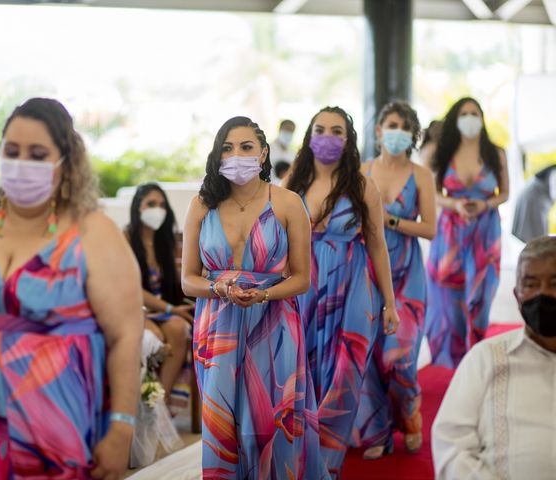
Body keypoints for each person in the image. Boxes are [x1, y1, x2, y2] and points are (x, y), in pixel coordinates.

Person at [0, 98, 143, 479]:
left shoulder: (93, 232)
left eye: (38, 155)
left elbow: (125, 333)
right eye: (12, 151)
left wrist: (121, 426)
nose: (22, 163)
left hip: (59, 431)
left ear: (65, 162)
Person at [182, 116, 329, 478]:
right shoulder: (202, 204)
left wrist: (263, 295)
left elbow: (301, 279)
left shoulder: (289, 203)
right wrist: (219, 289)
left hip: (274, 324)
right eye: (227, 148)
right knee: (223, 423)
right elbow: (187, 280)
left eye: (246, 147)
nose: (237, 155)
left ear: (263, 153)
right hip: (218, 329)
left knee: (270, 423)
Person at [285, 106, 399, 477]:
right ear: (309, 136)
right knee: (308, 369)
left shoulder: (362, 185)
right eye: (320, 129)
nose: (327, 137)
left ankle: (327, 463)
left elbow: (378, 244)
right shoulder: (292, 183)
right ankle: (308, 446)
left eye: (336, 131)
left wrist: (390, 304)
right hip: (304, 286)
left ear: (347, 140)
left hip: (352, 286)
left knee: (347, 369)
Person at [432, 235, 556, 480]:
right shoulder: (485, 358)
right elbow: (451, 447)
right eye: (530, 284)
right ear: (517, 295)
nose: (544, 294)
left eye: (555, 283)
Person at [353, 101, 437, 459]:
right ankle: (376, 432)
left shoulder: (421, 175)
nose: (397, 131)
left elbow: (430, 229)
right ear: (378, 130)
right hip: (367, 270)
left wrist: (389, 221)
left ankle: (411, 414)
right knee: (369, 353)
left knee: (398, 354)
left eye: (404, 126)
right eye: (391, 124)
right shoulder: (362, 171)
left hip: (407, 275)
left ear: (413, 134)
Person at [426, 97, 509, 368]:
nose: (470, 118)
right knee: (450, 298)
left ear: (482, 118)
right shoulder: (443, 152)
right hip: (451, 231)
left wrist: (485, 203)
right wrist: (454, 204)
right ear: (455, 118)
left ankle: (476, 358)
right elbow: (433, 193)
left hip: (485, 232)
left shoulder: (496, 153)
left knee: (481, 298)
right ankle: (452, 363)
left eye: (475, 113)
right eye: (464, 113)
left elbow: (505, 193)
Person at [125, 182, 193, 398]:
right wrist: (171, 309)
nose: (157, 209)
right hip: (133, 308)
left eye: (162, 204)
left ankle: (159, 402)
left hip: (163, 308)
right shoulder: (125, 238)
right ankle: (140, 403)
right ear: (138, 207)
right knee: (152, 336)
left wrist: (175, 309)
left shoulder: (167, 241)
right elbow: (131, 288)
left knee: (179, 329)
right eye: (151, 204)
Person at [512, 164, 556, 243]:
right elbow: (554, 193)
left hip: (538, 199)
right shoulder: (554, 172)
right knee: (536, 232)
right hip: (534, 198)